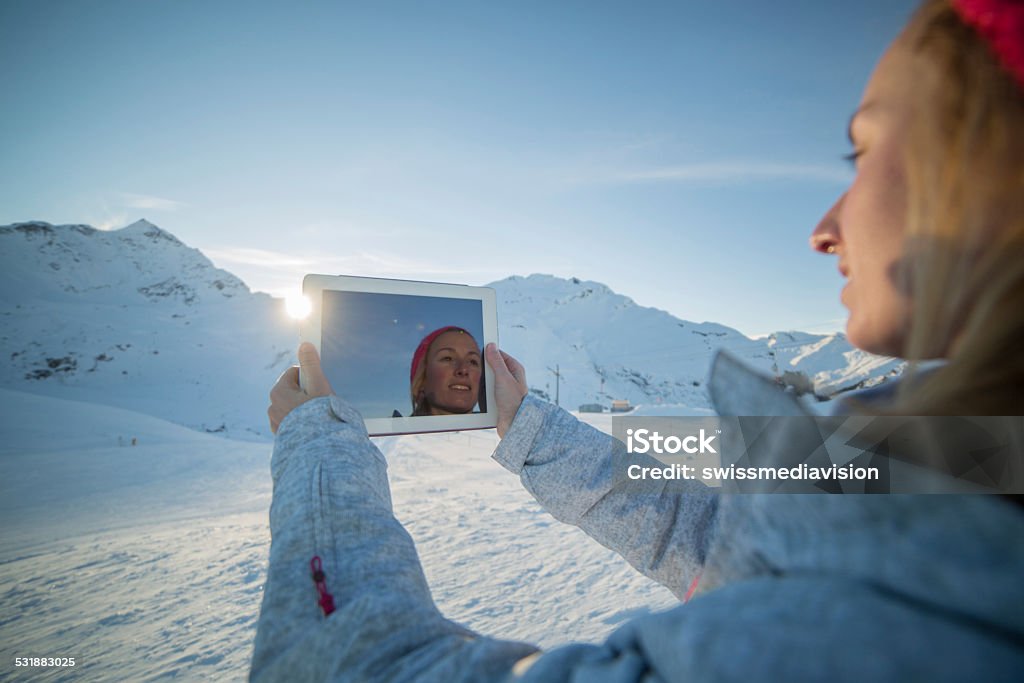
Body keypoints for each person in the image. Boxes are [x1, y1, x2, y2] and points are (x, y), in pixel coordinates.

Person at [255, 1, 1024, 680]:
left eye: (862, 154)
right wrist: (528, 426)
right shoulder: (975, 450)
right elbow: (710, 534)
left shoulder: (914, 606)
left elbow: (351, 667)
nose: (825, 229)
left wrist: (318, 453)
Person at [409, 326, 483, 416]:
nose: (463, 369)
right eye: (448, 358)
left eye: (472, 361)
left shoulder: (496, 427)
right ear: (422, 379)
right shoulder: (396, 429)